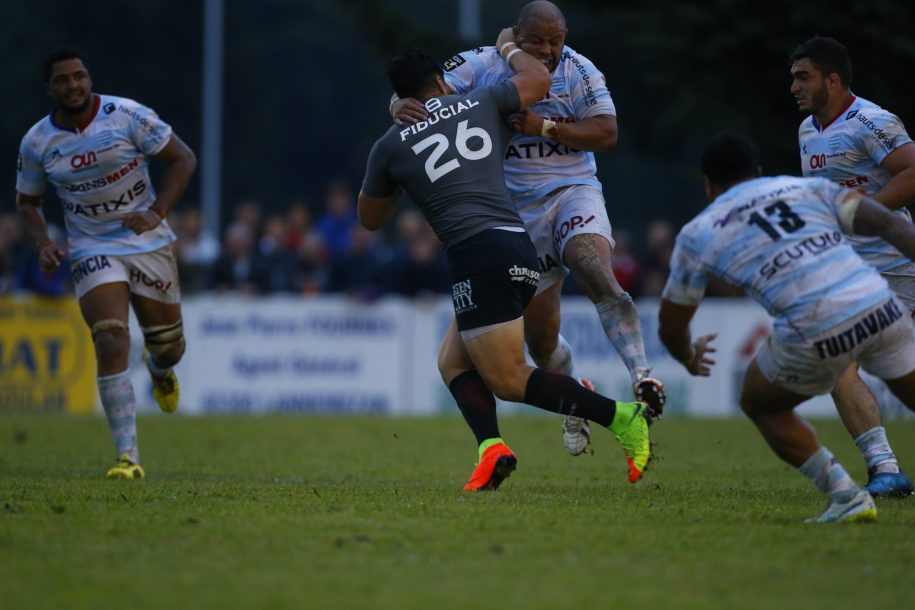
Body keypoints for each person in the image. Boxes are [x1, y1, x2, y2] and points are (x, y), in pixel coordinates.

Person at [360, 33, 650, 490]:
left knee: (509, 379)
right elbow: (537, 77)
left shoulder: (389, 146)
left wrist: (396, 172)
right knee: (453, 363)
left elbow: (370, 219)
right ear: (441, 79)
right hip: (518, 243)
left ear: (398, 97)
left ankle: (622, 417)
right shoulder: (482, 102)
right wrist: (509, 48)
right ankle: (491, 450)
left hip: (477, 255)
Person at [658, 132, 915, 522]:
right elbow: (890, 225)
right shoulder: (808, 188)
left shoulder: (699, 233)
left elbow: (671, 325)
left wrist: (690, 357)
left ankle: (845, 495)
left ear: (709, 186)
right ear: (759, 172)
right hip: (878, 302)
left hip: (815, 325)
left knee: (760, 403)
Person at [15, 47, 197, 479]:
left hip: (146, 240)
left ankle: (159, 369)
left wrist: (156, 212)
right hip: (91, 246)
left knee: (169, 346)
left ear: (89, 78)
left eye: (79, 76)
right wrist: (42, 243)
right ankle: (128, 458)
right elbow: (27, 202)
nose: (73, 85)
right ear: (50, 89)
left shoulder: (126, 115)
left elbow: (183, 159)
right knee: (111, 337)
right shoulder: (38, 142)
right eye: (63, 80)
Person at [790, 36, 915, 497]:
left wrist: (866, 211)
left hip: (901, 270)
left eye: (803, 77)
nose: (794, 87)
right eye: (793, 78)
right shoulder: (807, 131)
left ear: (834, 80)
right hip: (851, 277)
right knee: (836, 360)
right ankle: (885, 469)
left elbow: (913, 172)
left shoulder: (870, 120)